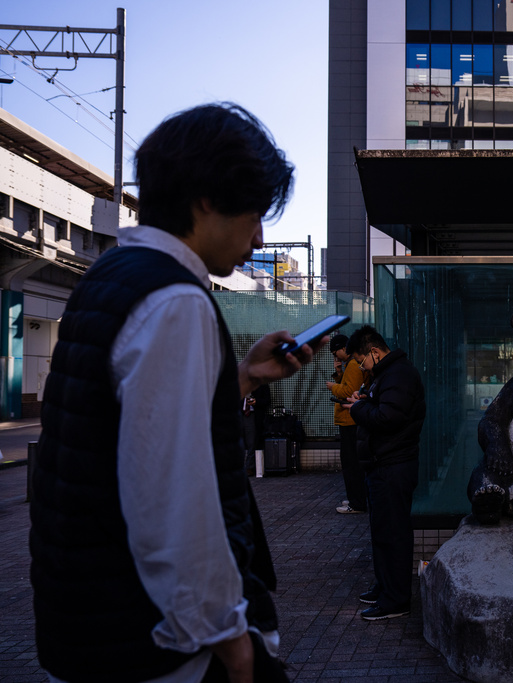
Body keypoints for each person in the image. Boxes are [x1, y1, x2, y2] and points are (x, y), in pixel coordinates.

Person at [30, 103, 326, 683]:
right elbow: (173, 498)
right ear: (207, 200)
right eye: (255, 213)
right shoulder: (176, 300)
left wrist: (239, 378)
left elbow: (125, 430)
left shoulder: (110, 277)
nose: (259, 236)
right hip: (159, 647)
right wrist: (232, 641)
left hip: (88, 624)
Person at [344, 325, 425, 621]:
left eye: (362, 361)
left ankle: (396, 599)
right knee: (383, 532)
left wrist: (357, 410)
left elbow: (388, 418)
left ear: (374, 352)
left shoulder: (399, 375)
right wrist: (365, 402)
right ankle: (386, 587)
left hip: (393, 465)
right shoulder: (387, 375)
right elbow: (385, 409)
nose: (362, 368)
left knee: (393, 534)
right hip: (383, 465)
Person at [327, 334, 367, 513]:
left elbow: (348, 391)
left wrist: (332, 386)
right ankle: (355, 500)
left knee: (351, 464)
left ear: (344, 348)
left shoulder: (352, 364)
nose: (336, 357)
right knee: (353, 463)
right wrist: (339, 374)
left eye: (336, 353)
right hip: (351, 420)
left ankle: (356, 503)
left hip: (350, 421)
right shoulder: (349, 365)